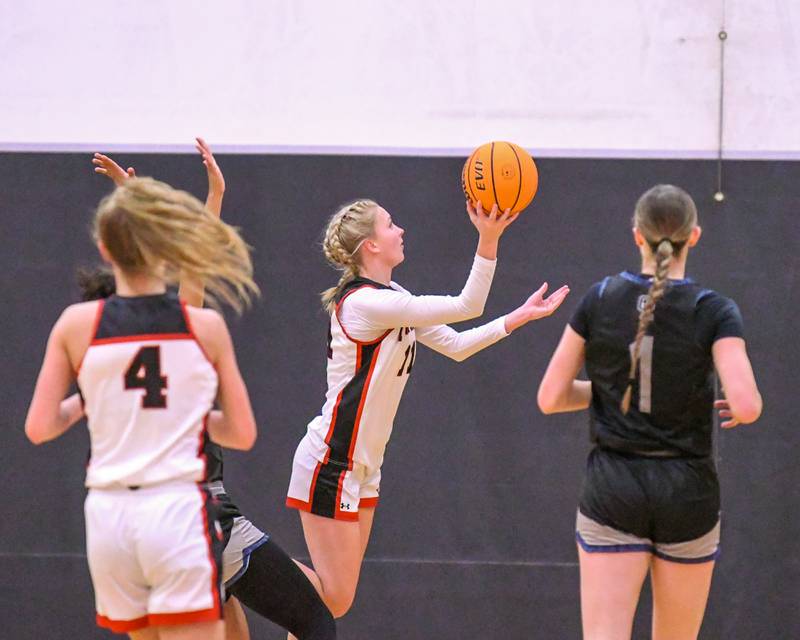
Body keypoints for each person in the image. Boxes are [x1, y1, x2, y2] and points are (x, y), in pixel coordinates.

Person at [286, 197, 570, 626]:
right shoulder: (365, 304)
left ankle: (245, 564)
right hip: (332, 461)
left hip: (364, 466)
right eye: (390, 224)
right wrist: (487, 240)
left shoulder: (393, 297)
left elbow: (455, 345)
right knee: (336, 596)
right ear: (370, 246)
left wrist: (514, 319)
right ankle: (242, 563)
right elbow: (466, 305)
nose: (400, 230)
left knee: (329, 604)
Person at [91, 144, 336, 640]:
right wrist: (211, 197)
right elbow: (192, 277)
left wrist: (130, 202)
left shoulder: (101, 358)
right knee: (315, 621)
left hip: (135, 530)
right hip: (204, 518)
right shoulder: (183, 339)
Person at [25, 175, 259, 640]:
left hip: (109, 519)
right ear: (166, 251)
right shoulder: (204, 326)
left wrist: (88, 403)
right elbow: (241, 434)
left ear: (105, 251)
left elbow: (40, 426)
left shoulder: (76, 325)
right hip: (175, 511)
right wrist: (189, 418)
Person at [536, 184, 762, 640]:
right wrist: (735, 408)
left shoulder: (599, 298)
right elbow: (746, 405)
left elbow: (550, 397)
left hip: (614, 487)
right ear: (693, 237)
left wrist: (606, 390)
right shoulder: (714, 309)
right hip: (687, 491)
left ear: (637, 235)